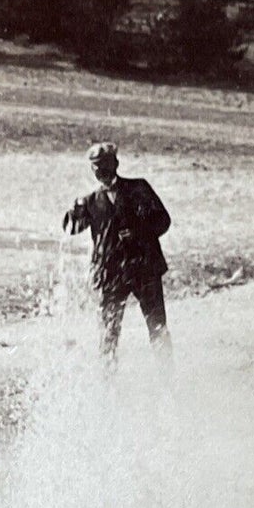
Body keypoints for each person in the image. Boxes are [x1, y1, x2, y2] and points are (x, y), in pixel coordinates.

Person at [62, 142, 172, 359]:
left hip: (145, 269)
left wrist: (138, 232)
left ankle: (167, 384)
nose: (100, 171)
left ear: (116, 164)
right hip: (111, 276)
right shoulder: (90, 201)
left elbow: (163, 220)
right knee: (108, 335)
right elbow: (70, 229)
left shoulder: (139, 189)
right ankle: (108, 387)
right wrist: (73, 212)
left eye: (104, 165)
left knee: (158, 328)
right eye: (95, 167)